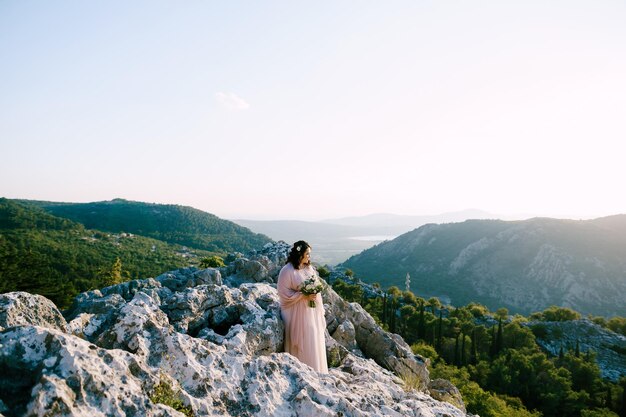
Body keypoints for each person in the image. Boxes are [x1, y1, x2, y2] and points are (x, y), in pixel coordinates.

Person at [277, 240, 328, 373]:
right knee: (303, 342)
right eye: (307, 254)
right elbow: (283, 295)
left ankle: (317, 371)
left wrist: (313, 293)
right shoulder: (286, 271)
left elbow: (315, 285)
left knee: (312, 339)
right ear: (300, 255)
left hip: (310, 312)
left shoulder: (308, 268)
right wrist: (302, 295)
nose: (309, 257)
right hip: (294, 313)